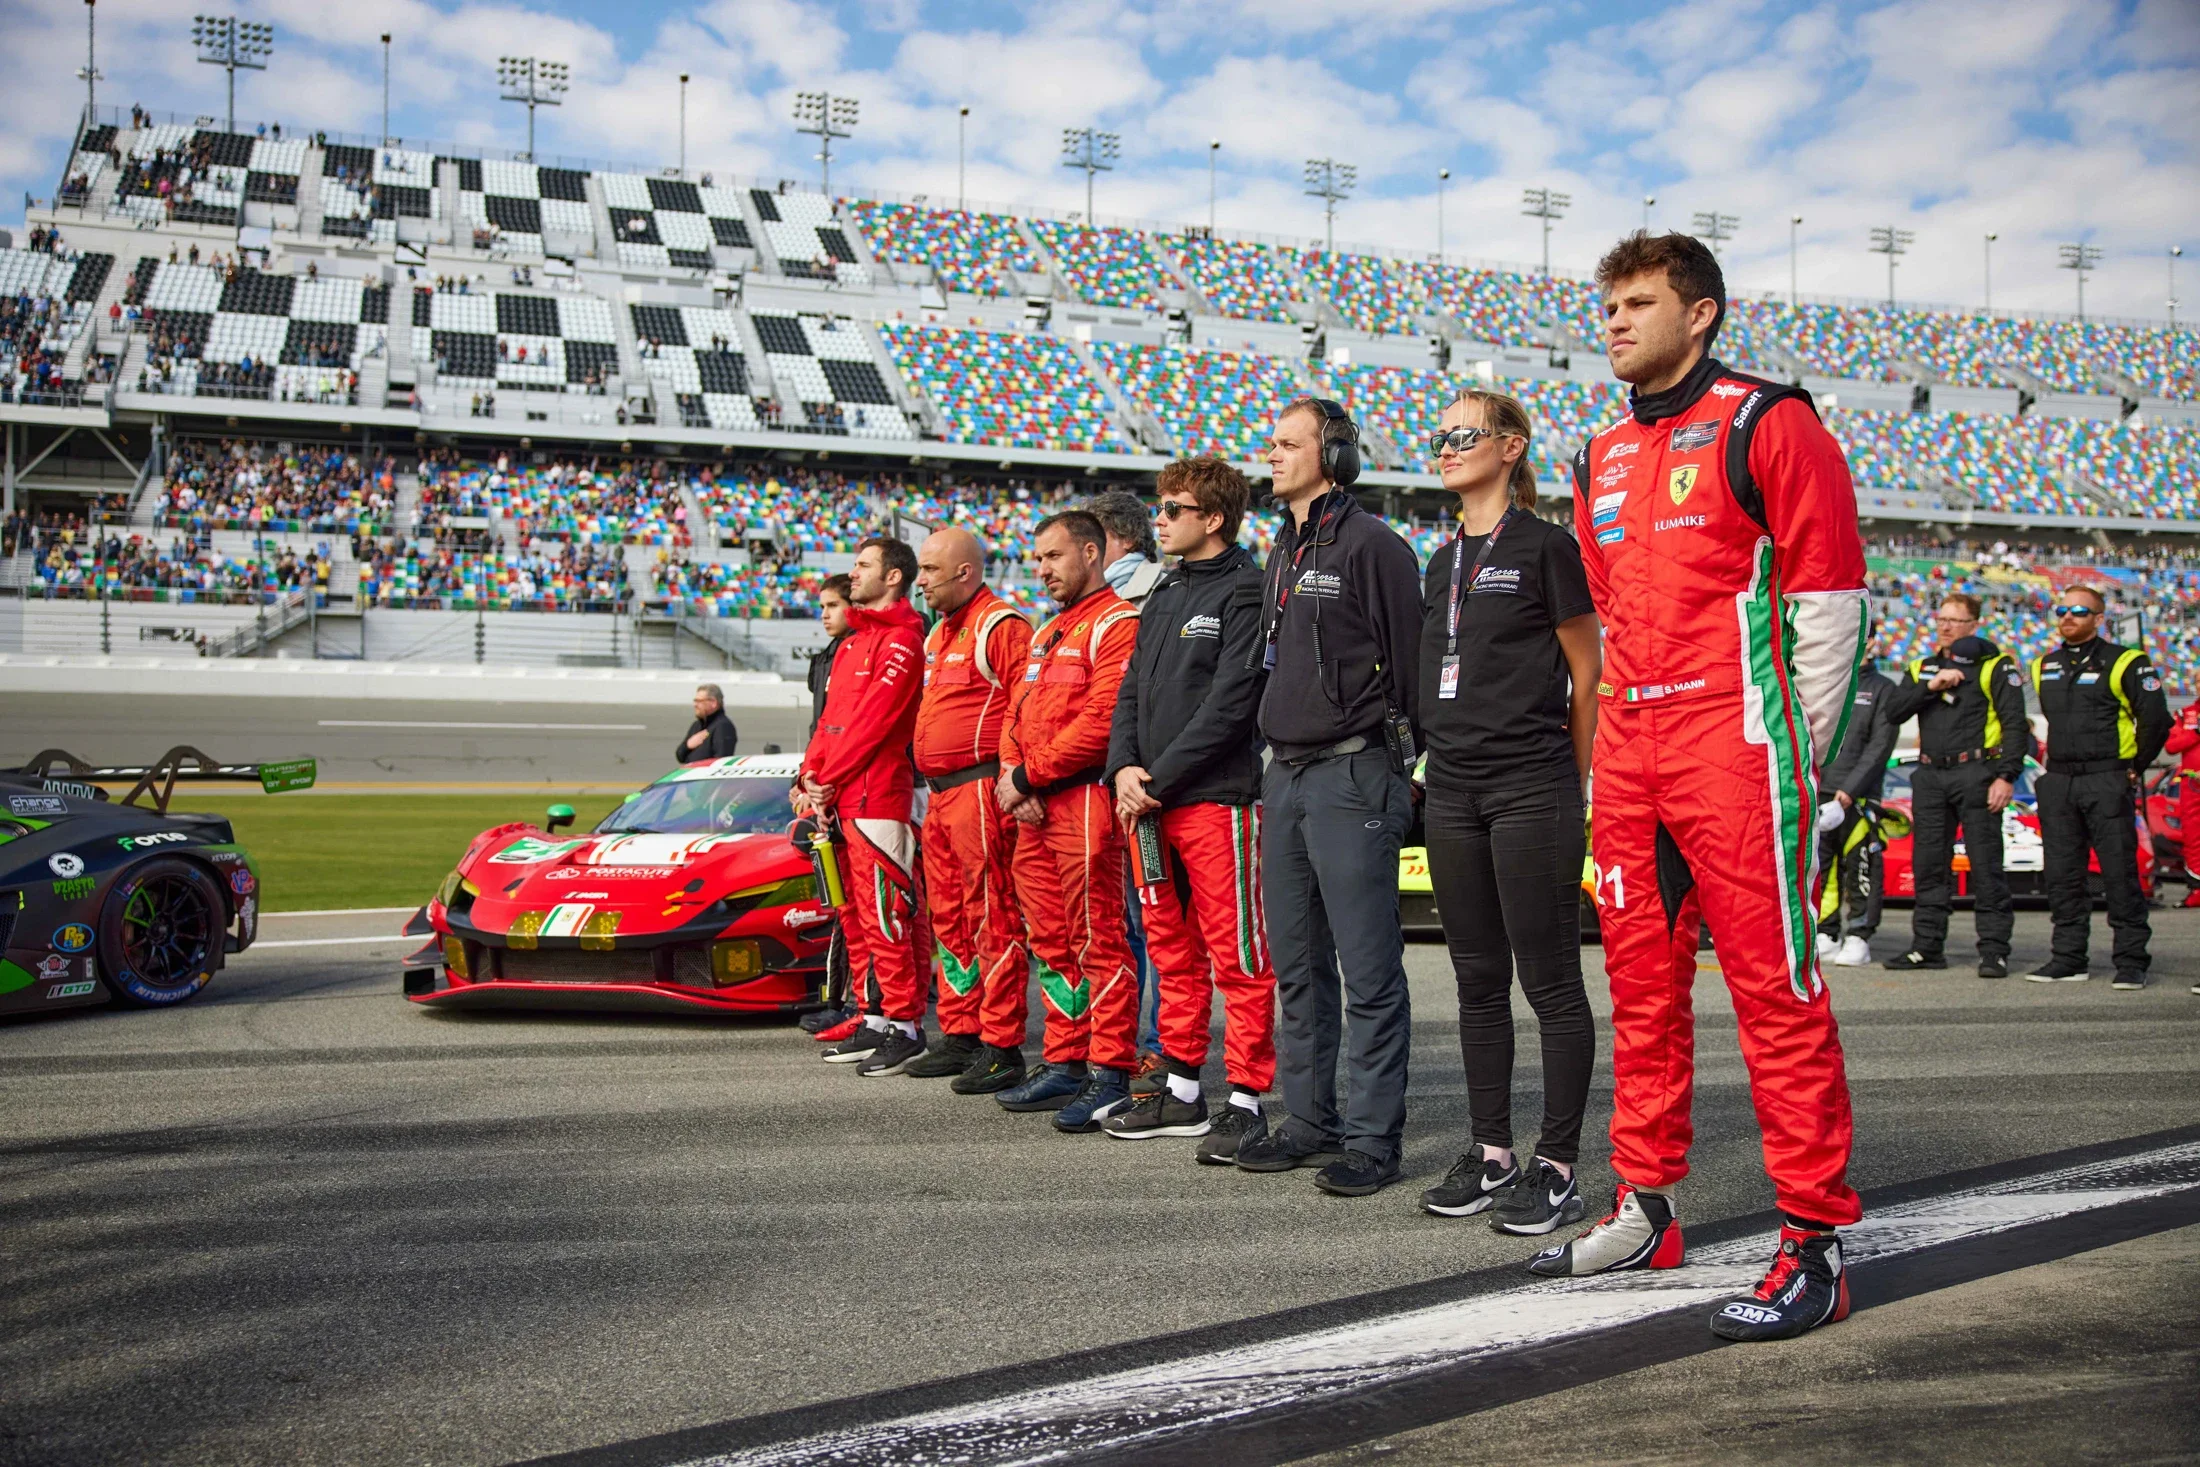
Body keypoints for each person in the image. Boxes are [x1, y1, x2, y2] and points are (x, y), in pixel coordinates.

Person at [1539, 231, 1868, 1347]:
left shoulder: (1769, 420)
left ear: (1703, 313)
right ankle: (1647, 1208)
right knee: (1639, 990)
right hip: (1629, 755)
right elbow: (1609, 621)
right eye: (1610, 303)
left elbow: (1827, 604)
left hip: (1734, 748)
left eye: (1639, 302)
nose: (1616, 321)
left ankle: (1814, 1239)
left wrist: (1793, 755)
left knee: (1774, 994)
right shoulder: (1593, 455)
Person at [1410, 390, 1602, 1238]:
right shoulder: (1439, 561)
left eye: (1465, 434)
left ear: (1511, 447)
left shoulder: (1546, 547)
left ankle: (1557, 1164)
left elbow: (1589, 674)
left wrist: (1576, 779)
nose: (1448, 447)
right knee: (1476, 979)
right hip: (1452, 788)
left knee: (1550, 980)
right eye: (1440, 436)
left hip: (1533, 785)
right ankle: (1492, 1153)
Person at [1235, 397, 1422, 1198]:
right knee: (1299, 966)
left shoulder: (1375, 546)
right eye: (1270, 444)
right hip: (1285, 777)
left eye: (1289, 444)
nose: (1273, 455)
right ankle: (1310, 1120)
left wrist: (1410, 776)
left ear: (1335, 454)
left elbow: (1411, 667)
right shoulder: (1280, 548)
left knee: (1369, 967)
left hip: (1353, 775)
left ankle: (1375, 1138)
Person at [1100, 458, 1276, 1161]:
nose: (1160, 519)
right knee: (1170, 952)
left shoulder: (1248, 589)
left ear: (1213, 518)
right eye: (1161, 507)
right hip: (1148, 805)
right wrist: (1122, 771)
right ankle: (1181, 1090)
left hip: (1213, 801)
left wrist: (1156, 778)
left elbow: (1232, 704)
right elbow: (1130, 696)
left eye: (1173, 509)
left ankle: (1245, 1096)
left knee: (1238, 953)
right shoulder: (1165, 593)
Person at [991, 511, 1143, 1133]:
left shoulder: (1118, 622)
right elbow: (1013, 713)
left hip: (1083, 803)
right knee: (1050, 942)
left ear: (1090, 552)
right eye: (1039, 560)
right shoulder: (1047, 631)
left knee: (1098, 938)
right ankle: (1065, 1059)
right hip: (1033, 807)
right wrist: (1011, 774)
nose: (1043, 570)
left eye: (1054, 557)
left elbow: (1104, 720)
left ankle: (1110, 1075)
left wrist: (1027, 777)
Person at [903, 527, 1034, 1090]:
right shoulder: (938, 636)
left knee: (991, 913)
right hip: (941, 794)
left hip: (981, 790)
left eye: (931, 570)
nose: (921, 581)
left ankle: (1002, 1044)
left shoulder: (1000, 625)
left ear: (965, 571)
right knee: (949, 917)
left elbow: (1026, 707)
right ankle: (961, 1030)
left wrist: (1013, 777)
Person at [800, 537, 929, 1077]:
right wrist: (810, 776)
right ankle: (874, 1015)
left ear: (894, 576)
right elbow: (829, 724)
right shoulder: (854, 641)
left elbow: (874, 726)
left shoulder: (902, 640)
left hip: (879, 796)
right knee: (853, 916)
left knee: (886, 914)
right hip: (840, 798)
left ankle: (906, 1026)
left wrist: (825, 780)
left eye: (863, 565)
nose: (853, 574)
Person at [2024, 585, 2170, 988]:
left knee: (2119, 872)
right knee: (2063, 874)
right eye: (2062, 610)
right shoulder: (2043, 665)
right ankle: (2069, 958)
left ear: (2099, 619)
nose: (2068, 617)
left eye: (2079, 611)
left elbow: (2157, 722)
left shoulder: (2126, 662)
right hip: (2059, 781)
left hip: (2108, 778)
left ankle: (2131, 960)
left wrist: (2134, 768)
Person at [1879, 594, 2028, 977]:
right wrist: (1931, 686)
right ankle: (1927, 947)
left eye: (1955, 621)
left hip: (1977, 772)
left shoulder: (1996, 666)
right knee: (1928, 866)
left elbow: (2015, 725)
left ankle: (1994, 950)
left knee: (1986, 865)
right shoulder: (1921, 666)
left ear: (1973, 625)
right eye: (1941, 618)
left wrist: (2006, 776)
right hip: (1930, 775)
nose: (1945, 627)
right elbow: (1894, 711)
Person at [1084, 485, 1168, 1084]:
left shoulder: (1155, 591)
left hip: (1140, 777)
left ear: (1115, 539)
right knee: (1122, 919)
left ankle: (1159, 1041)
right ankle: (1130, 1037)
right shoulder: (1089, 602)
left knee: (1153, 915)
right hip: (1102, 778)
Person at [1815, 631, 1901, 968]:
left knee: (1861, 867)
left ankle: (1860, 934)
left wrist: (1850, 791)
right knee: (1821, 868)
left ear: (1872, 643)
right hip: (1819, 790)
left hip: (1858, 797)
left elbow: (1880, 747)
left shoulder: (1883, 689)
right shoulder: (1826, 682)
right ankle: (1827, 930)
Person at [807, 573, 853, 737]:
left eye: (833, 605)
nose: (824, 615)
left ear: (855, 606)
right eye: (822, 607)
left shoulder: (872, 652)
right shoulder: (824, 660)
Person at [2166, 702, 2200, 913]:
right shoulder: (2184, 713)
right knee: (2193, 838)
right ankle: (2197, 890)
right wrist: (2196, 733)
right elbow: (2171, 747)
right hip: (2191, 785)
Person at [676, 683, 738, 764]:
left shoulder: (723, 726)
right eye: (695, 701)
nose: (695, 705)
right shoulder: (697, 726)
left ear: (713, 703)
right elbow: (680, 756)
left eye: (699, 701)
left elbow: (721, 761)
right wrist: (688, 745)